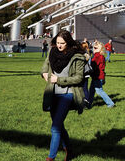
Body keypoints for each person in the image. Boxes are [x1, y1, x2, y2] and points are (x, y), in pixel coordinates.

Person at [41, 30, 86, 161]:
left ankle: (50, 158)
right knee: (59, 125)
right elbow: (45, 66)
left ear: (69, 42)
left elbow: (79, 78)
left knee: (55, 127)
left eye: (62, 43)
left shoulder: (77, 56)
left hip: (68, 94)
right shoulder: (52, 52)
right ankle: (69, 150)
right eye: (57, 43)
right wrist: (44, 73)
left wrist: (59, 80)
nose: (59, 46)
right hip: (52, 93)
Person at [89, 41, 115, 108]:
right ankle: (88, 103)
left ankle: (110, 103)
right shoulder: (99, 56)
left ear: (100, 49)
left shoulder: (98, 57)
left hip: (98, 76)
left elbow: (94, 66)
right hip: (96, 76)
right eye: (93, 48)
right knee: (91, 90)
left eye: (95, 48)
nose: (93, 50)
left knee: (99, 91)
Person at [79, 41, 92, 108]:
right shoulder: (87, 54)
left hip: (82, 74)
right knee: (85, 89)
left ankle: (83, 102)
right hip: (87, 74)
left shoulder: (81, 55)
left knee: (81, 88)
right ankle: (87, 101)